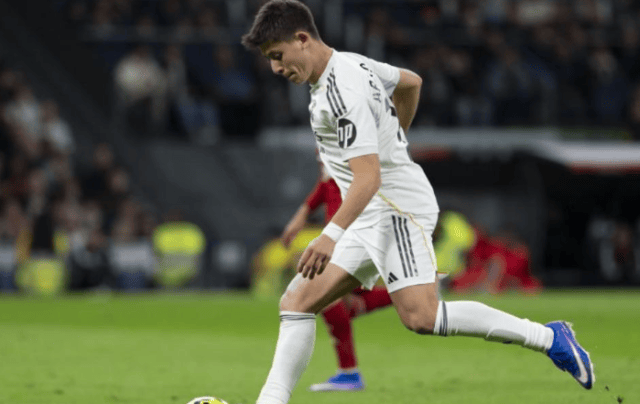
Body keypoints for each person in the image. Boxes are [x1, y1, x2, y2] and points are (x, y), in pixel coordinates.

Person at [241, 2, 595, 403]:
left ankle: (549, 337)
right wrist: (396, 141)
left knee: (422, 317)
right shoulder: (352, 63)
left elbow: (369, 178)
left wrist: (329, 235)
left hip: (395, 209)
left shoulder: (341, 93)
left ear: (302, 39)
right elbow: (411, 82)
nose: (275, 68)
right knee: (297, 302)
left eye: (278, 56)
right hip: (372, 208)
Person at [281, 159, 392, 392]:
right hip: (345, 228)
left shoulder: (355, 140)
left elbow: (363, 180)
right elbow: (328, 180)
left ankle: (349, 373)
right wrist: (303, 212)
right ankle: (417, 290)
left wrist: (337, 232)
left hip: (353, 228)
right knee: (342, 302)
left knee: (320, 293)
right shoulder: (330, 141)